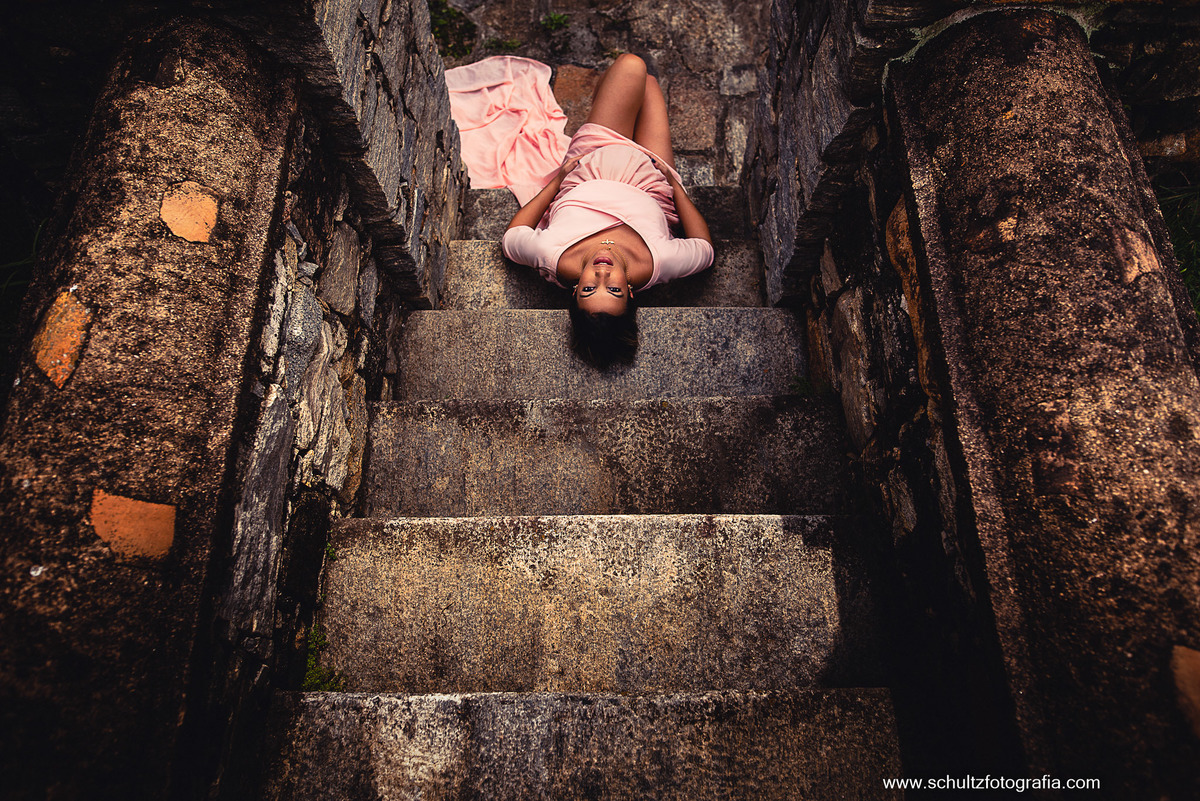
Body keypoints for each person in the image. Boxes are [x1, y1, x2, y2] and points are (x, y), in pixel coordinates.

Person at [502, 54, 714, 367]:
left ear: (575, 291)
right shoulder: (658, 263)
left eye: (590, 288)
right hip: (652, 174)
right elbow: (705, 250)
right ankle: (611, 99)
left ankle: (607, 105)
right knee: (648, 84)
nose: (602, 273)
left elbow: (511, 239)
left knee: (632, 66)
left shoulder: (551, 254)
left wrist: (556, 181)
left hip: (595, 155)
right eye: (613, 288)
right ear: (630, 292)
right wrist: (675, 187)